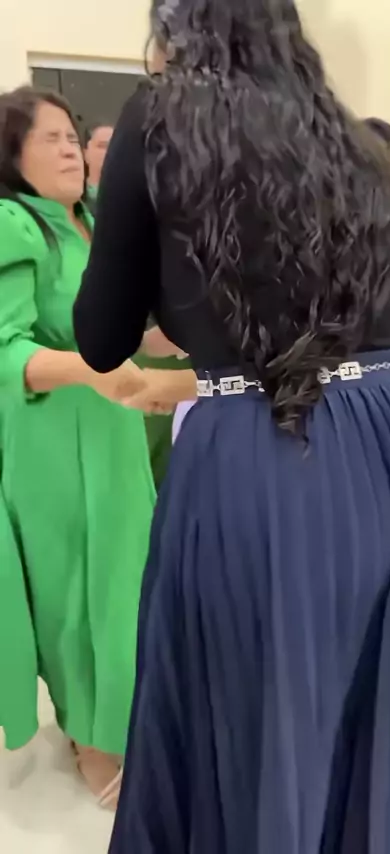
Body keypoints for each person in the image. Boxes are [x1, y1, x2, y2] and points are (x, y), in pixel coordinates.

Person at [74, 1, 390, 850]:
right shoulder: (350, 139)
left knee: (259, 719)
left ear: (175, 31)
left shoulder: (159, 117)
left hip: (267, 447)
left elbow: (101, 335)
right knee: (381, 715)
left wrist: (177, 302)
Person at [0, 86, 155, 808]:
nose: (70, 150)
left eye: (73, 137)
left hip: (114, 429)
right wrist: (93, 370)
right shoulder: (13, 224)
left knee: (124, 586)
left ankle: (117, 719)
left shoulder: (92, 221)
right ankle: (92, 740)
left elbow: (118, 327)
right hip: (53, 439)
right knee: (73, 592)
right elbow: (8, 350)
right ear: (12, 154)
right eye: (51, 139)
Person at [84, 122, 114, 213]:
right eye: (102, 146)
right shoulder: (74, 200)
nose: (110, 151)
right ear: (85, 153)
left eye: (115, 146)